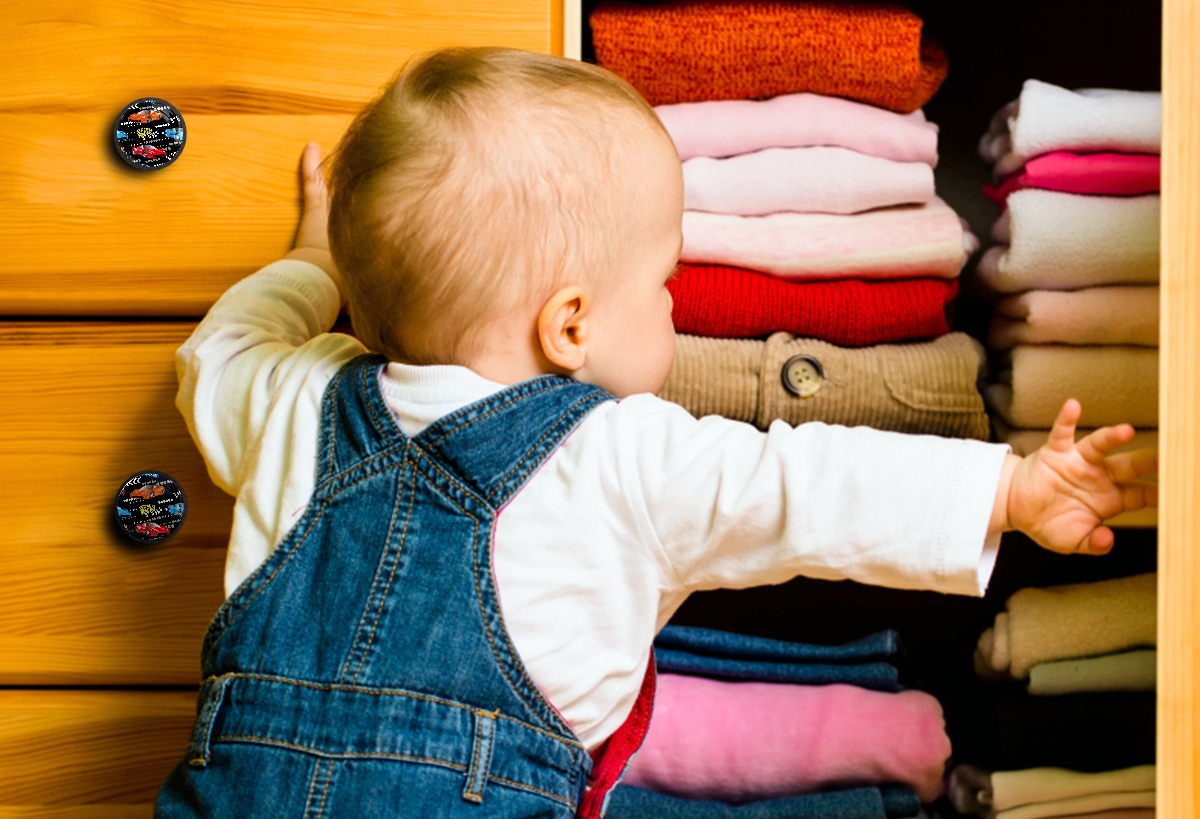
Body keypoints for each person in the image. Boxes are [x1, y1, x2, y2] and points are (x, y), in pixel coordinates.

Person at [155, 47, 1156, 818]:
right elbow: (808, 486)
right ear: (571, 325)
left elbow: (218, 350)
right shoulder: (620, 458)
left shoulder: (292, 397)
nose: (675, 305)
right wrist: (1009, 490)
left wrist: (310, 266)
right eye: (664, 280)